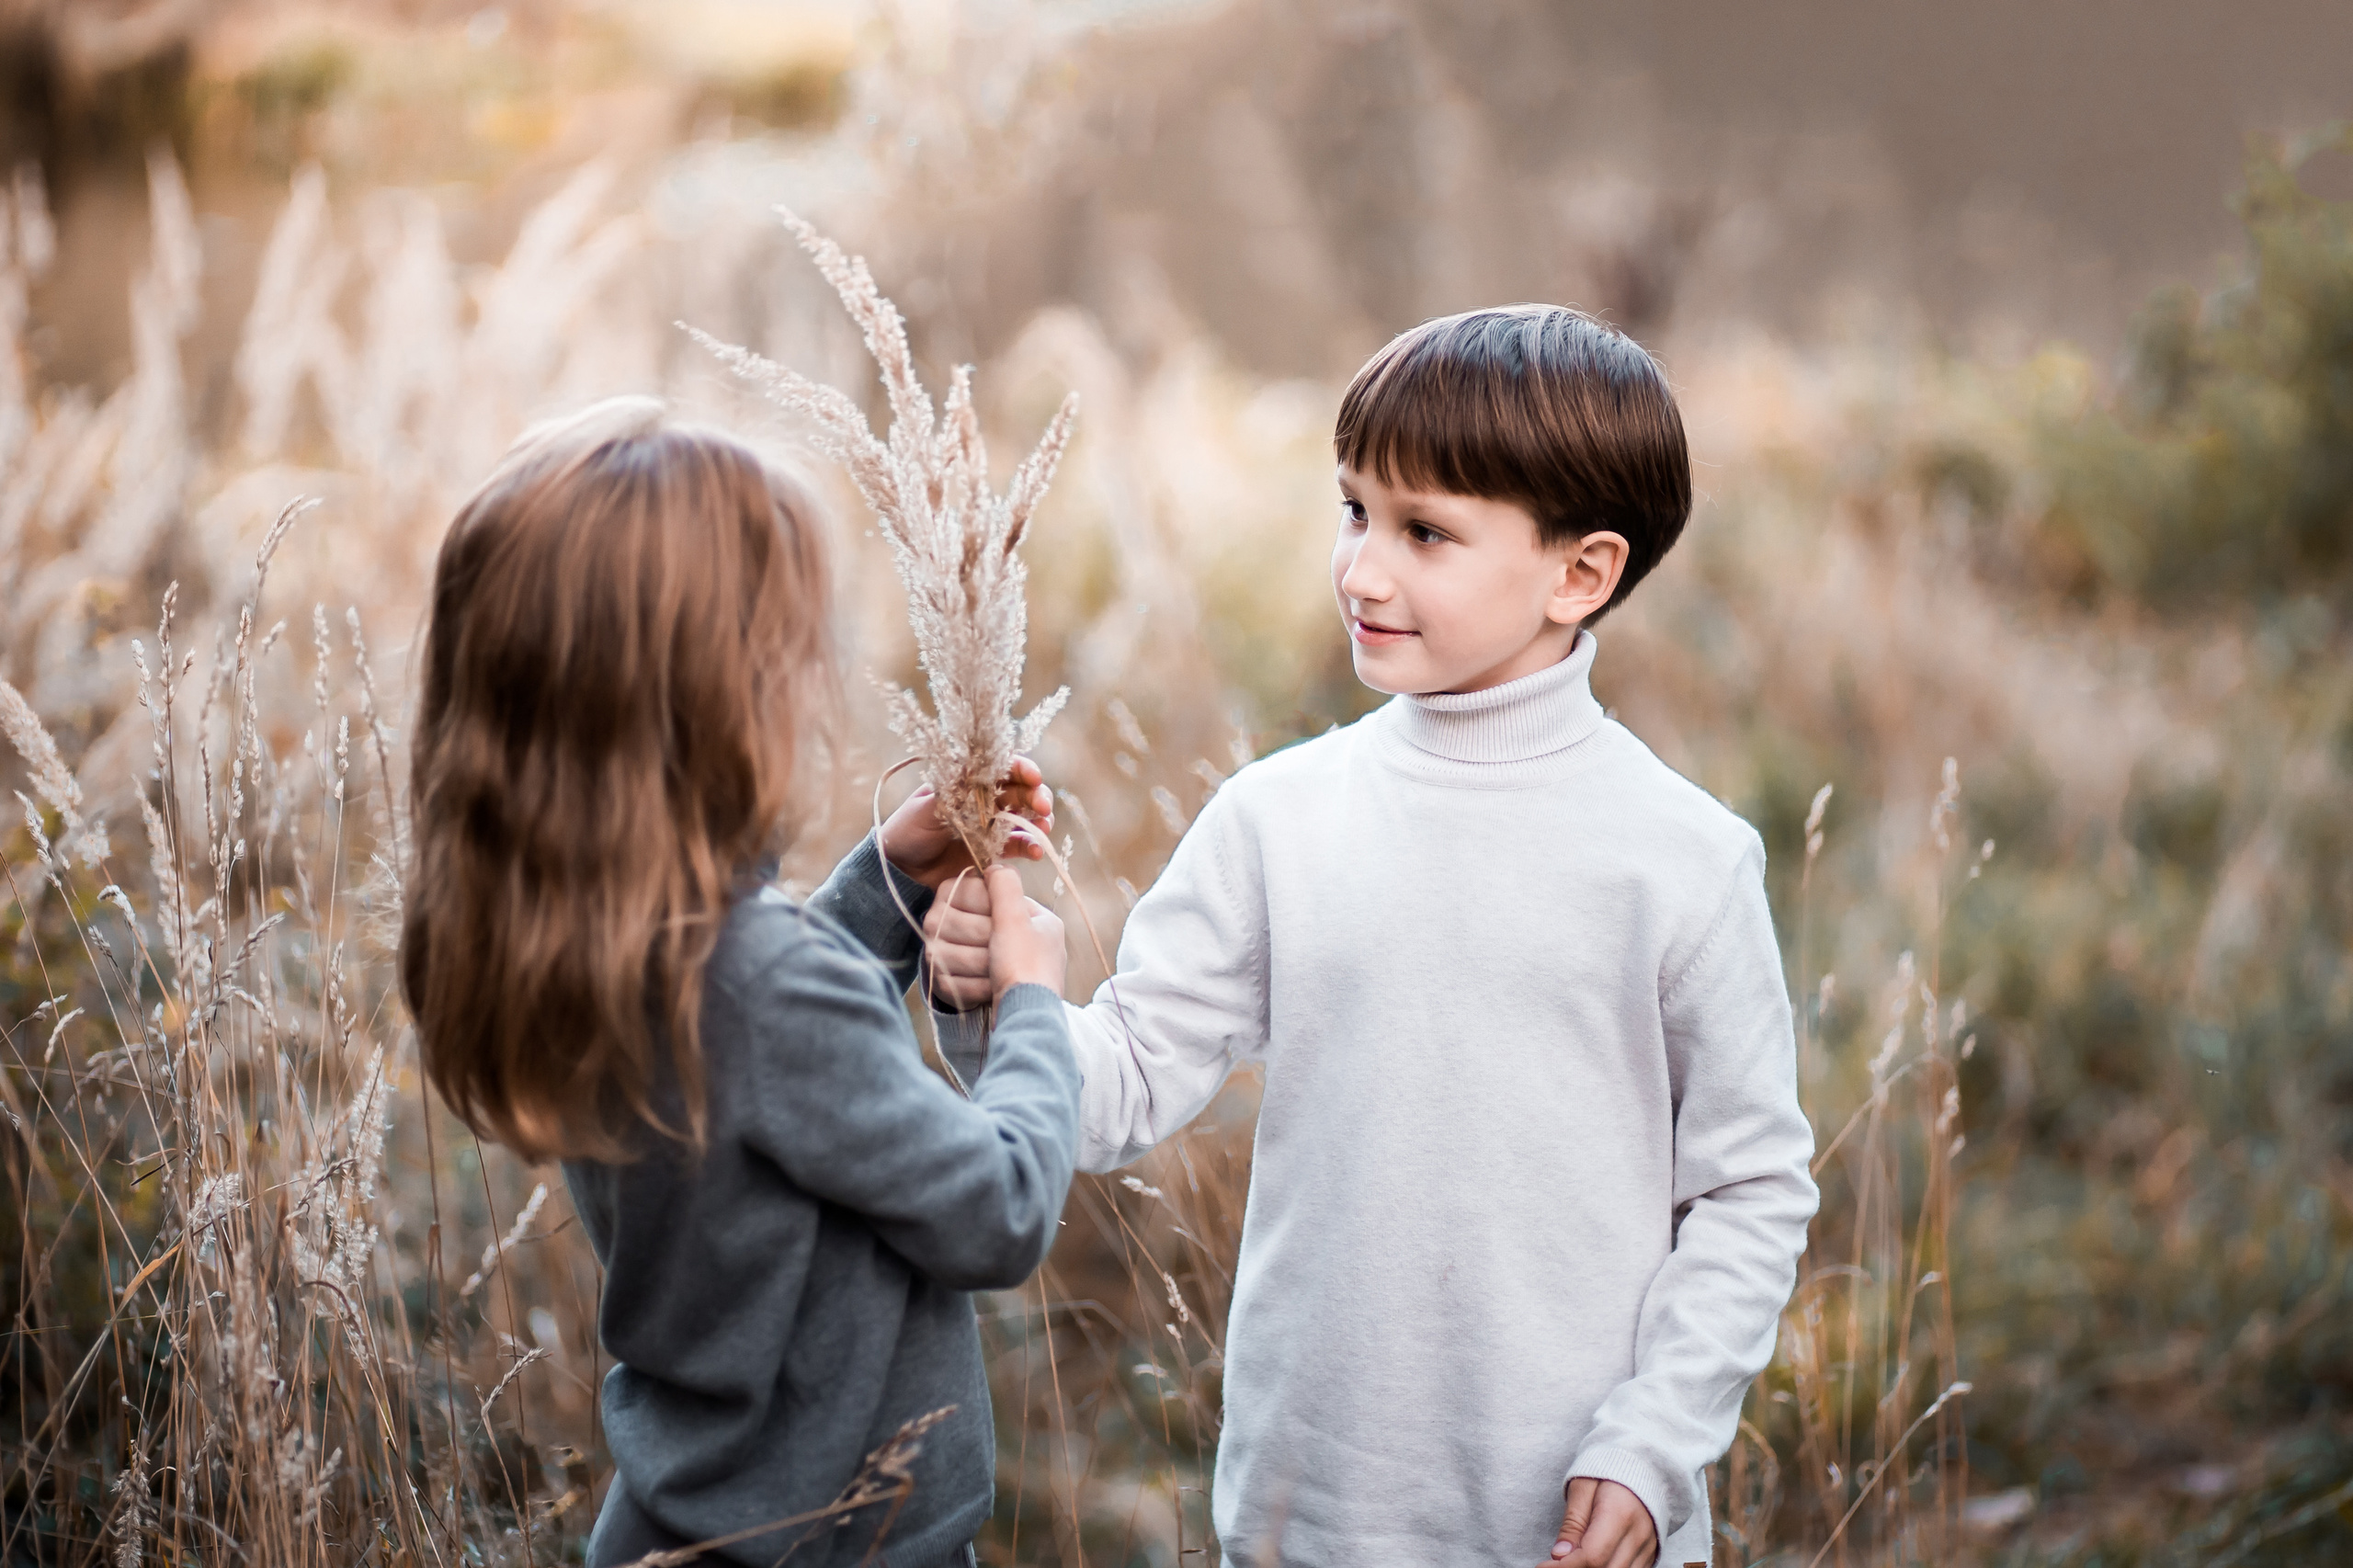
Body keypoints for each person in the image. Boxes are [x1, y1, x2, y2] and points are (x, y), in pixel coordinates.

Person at [920, 308, 1821, 1567]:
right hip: (1316, 1511)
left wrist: (1655, 1440)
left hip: (1575, 1514)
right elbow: (1118, 1088)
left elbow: (1747, 1190)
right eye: (1354, 511)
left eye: (1425, 532)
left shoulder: (1679, 858)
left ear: (1580, 572)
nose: (1362, 570)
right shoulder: (1281, 819)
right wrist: (996, 1002)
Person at [399, 397, 1078, 1568]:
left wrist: (890, 878)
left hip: (690, 1527)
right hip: (846, 1544)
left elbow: (773, 1061)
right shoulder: (760, 983)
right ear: (719, 699)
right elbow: (1000, 1206)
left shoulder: (593, 933)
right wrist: (1030, 1003)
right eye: (791, 650)